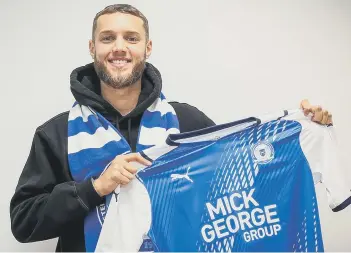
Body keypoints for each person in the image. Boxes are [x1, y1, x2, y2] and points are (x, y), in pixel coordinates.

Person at [9, 4, 333, 252]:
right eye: (108, 38)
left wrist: (300, 132)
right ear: (93, 48)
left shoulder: (187, 122)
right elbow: (23, 223)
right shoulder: (56, 133)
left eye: (131, 38)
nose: (119, 47)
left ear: (147, 48)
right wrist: (95, 188)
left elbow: (242, 184)